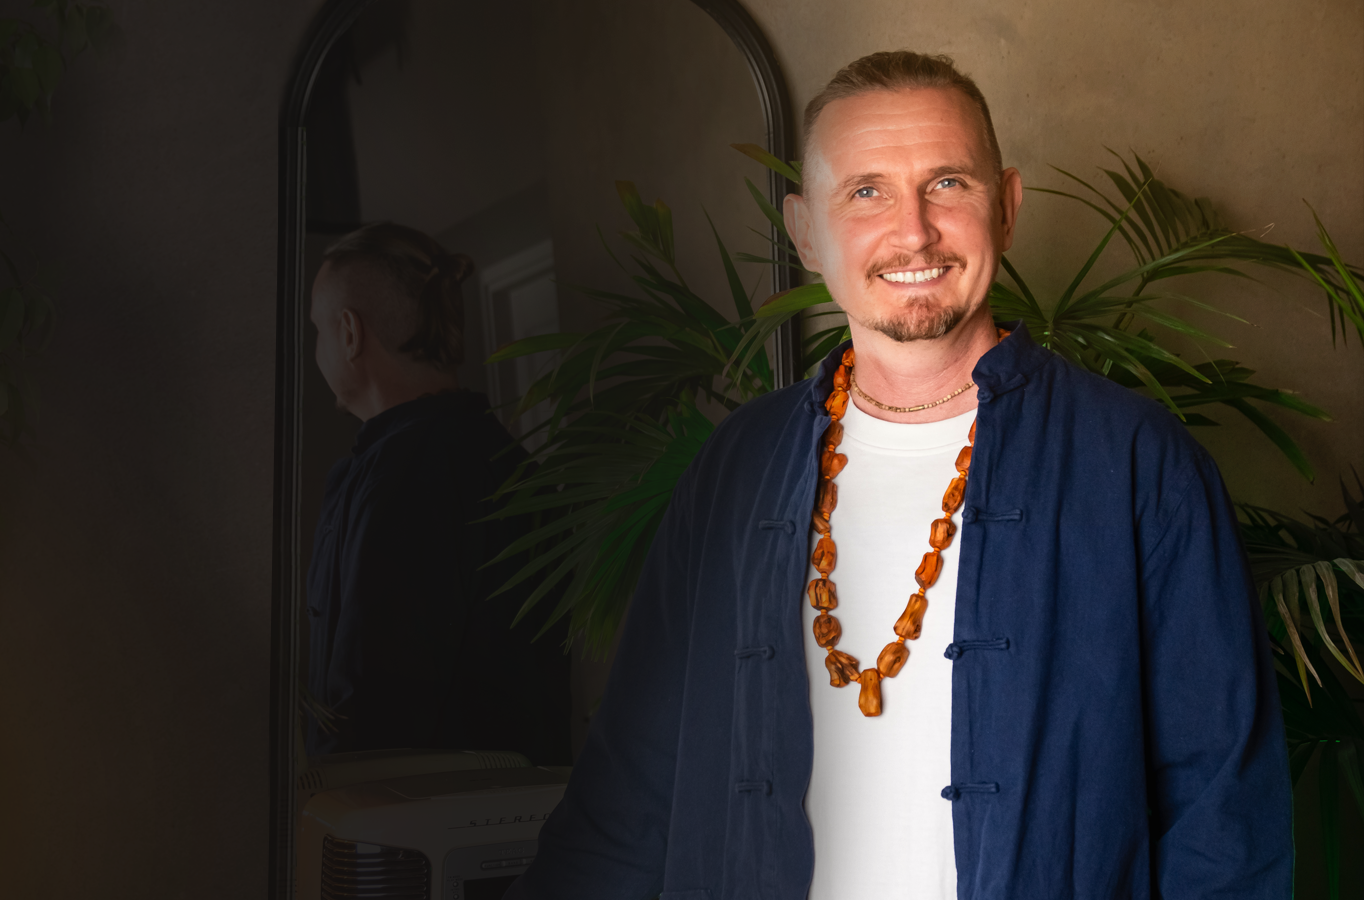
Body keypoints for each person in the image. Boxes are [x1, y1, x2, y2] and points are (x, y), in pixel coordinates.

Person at [507, 51, 1289, 898]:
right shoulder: (735, 465)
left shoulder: (1136, 460)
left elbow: (1223, 819)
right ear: (806, 233)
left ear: (1006, 208)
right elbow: (628, 792)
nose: (913, 232)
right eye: (865, 192)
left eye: (947, 183)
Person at [304, 222, 570, 766]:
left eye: (317, 329)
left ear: (350, 333)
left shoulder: (404, 476)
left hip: (409, 811)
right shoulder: (504, 459)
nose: (317, 348)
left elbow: (374, 707)